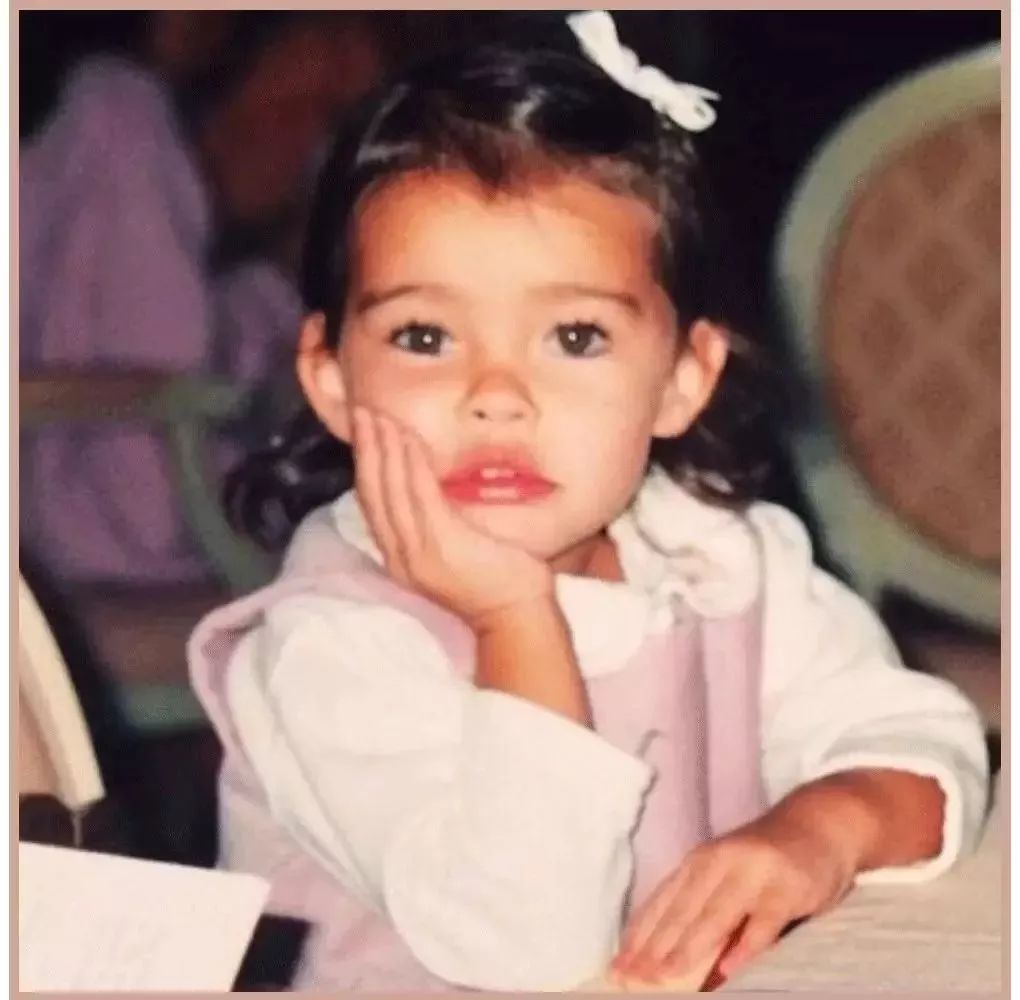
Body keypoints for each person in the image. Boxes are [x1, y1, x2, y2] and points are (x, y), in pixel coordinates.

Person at [188, 11, 989, 992]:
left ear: (682, 380)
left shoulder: (713, 561)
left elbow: (921, 739)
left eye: (574, 338)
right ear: (334, 378)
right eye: (425, 337)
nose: (496, 394)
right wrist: (514, 618)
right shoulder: (333, 642)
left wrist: (820, 829)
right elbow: (529, 947)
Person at [19, 12, 383, 586]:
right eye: (303, 89)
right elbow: (143, 500)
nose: (300, 133)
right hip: (86, 548)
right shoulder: (119, 126)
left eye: (332, 120)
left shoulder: (248, 291)